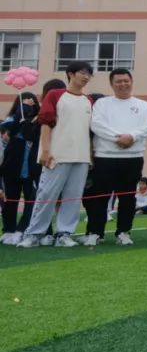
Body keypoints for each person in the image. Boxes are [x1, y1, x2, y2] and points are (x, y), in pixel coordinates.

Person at [16, 62, 95, 248]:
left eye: (89, 74)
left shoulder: (88, 100)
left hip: (81, 157)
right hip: (56, 155)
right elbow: (45, 122)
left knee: (73, 198)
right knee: (46, 195)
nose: (86, 77)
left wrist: (90, 156)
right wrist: (45, 150)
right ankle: (34, 234)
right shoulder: (55, 95)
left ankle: (64, 234)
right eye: (82, 73)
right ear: (71, 74)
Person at [83, 69, 147, 247]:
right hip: (105, 157)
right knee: (100, 197)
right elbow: (97, 125)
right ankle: (95, 232)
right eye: (118, 81)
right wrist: (118, 138)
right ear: (111, 84)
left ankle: (123, 232)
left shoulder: (143, 105)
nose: (123, 84)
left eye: (126, 81)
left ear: (131, 81)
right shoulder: (102, 104)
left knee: (127, 198)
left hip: (133, 158)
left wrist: (131, 137)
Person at [0, 92, 41, 245]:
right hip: (11, 169)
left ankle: (22, 230)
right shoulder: (12, 120)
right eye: (24, 104)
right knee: (10, 200)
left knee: (31, 201)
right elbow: (10, 127)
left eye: (31, 103)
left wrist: (28, 112)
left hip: (32, 170)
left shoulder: (38, 122)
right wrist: (23, 109)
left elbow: (30, 133)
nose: (29, 106)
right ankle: (9, 230)